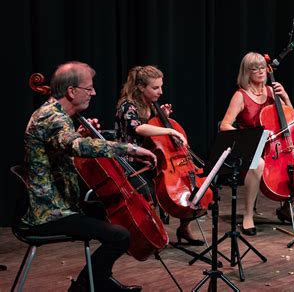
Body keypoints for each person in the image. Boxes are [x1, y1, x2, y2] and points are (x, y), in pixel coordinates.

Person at [22, 61, 157, 291]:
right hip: (49, 213)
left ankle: (100, 280)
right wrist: (129, 149)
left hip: (62, 203)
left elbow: (64, 143)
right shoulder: (51, 117)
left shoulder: (58, 116)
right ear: (72, 91)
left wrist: (79, 134)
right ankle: (85, 286)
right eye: (89, 88)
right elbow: (75, 146)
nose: (93, 93)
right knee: (119, 235)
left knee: (115, 213)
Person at [219, 52, 294, 236]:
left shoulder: (272, 91)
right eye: (255, 68)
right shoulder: (241, 96)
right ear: (246, 72)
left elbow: (292, 121)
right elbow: (225, 125)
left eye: (262, 67)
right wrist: (247, 137)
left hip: (276, 149)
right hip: (250, 150)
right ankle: (248, 215)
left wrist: (286, 98)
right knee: (259, 164)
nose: (261, 71)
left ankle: (287, 208)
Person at [115, 65, 205, 246]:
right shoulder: (127, 105)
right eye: (155, 88)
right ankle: (149, 235)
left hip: (154, 160)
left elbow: (155, 136)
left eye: (161, 86)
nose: (160, 92)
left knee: (191, 188)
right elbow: (138, 128)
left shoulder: (151, 105)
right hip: (134, 162)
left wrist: (162, 116)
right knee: (149, 192)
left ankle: (184, 228)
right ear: (141, 87)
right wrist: (169, 130)